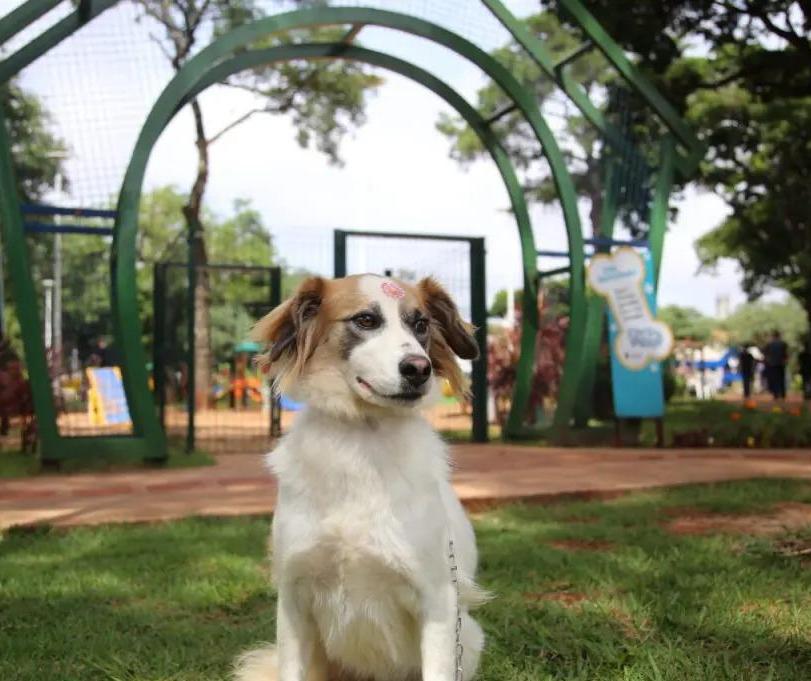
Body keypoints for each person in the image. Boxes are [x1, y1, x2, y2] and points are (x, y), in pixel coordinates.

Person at [763, 330, 789, 400]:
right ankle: (783, 394)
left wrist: (768, 361)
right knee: (781, 379)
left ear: (773, 336)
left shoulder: (770, 344)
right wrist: (785, 361)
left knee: (775, 379)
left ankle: (776, 394)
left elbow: (766, 354)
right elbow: (786, 354)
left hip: (773, 364)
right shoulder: (783, 343)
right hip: (781, 364)